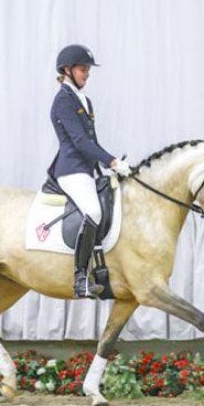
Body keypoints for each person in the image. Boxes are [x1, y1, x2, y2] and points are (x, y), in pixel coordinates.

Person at [48, 44, 131, 298]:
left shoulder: (85, 101)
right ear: (67, 70)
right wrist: (112, 162)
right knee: (93, 211)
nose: (87, 74)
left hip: (87, 169)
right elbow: (80, 142)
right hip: (71, 169)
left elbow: (92, 142)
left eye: (87, 69)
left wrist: (108, 165)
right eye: (82, 69)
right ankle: (80, 278)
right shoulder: (63, 100)